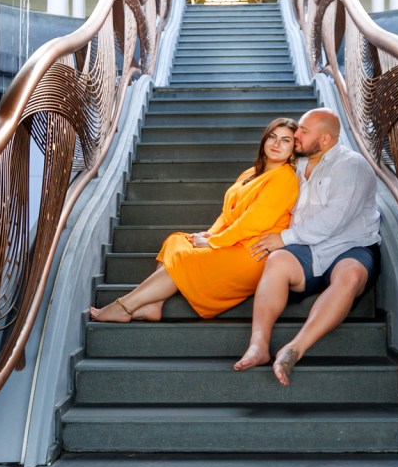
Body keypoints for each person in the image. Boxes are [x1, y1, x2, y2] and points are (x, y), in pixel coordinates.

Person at [88, 117, 300, 322]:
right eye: (273, 137)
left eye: (286, 140)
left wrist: (215, 242)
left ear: (293, 148)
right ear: (264, 140)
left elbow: (254, 222)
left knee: (184, 259)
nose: (277, 144)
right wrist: (211, 234)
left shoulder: (284, 178)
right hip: (235, 241)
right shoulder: (251, 172)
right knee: (176, 241)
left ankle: (124, 306)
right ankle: (154, 306)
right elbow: (228, 213)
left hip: (253, 253)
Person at [233, 107, 380, 385]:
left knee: (350, 275)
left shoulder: (352, 166)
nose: (295, 134)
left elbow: (333, 222)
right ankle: (258, 345)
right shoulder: (298, 163)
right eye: (297, 128)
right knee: (276, 261)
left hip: (351, 245)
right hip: (309, 247)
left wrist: (284, 238)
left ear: (325, 140)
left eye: (303, 131)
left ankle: (294, 349)